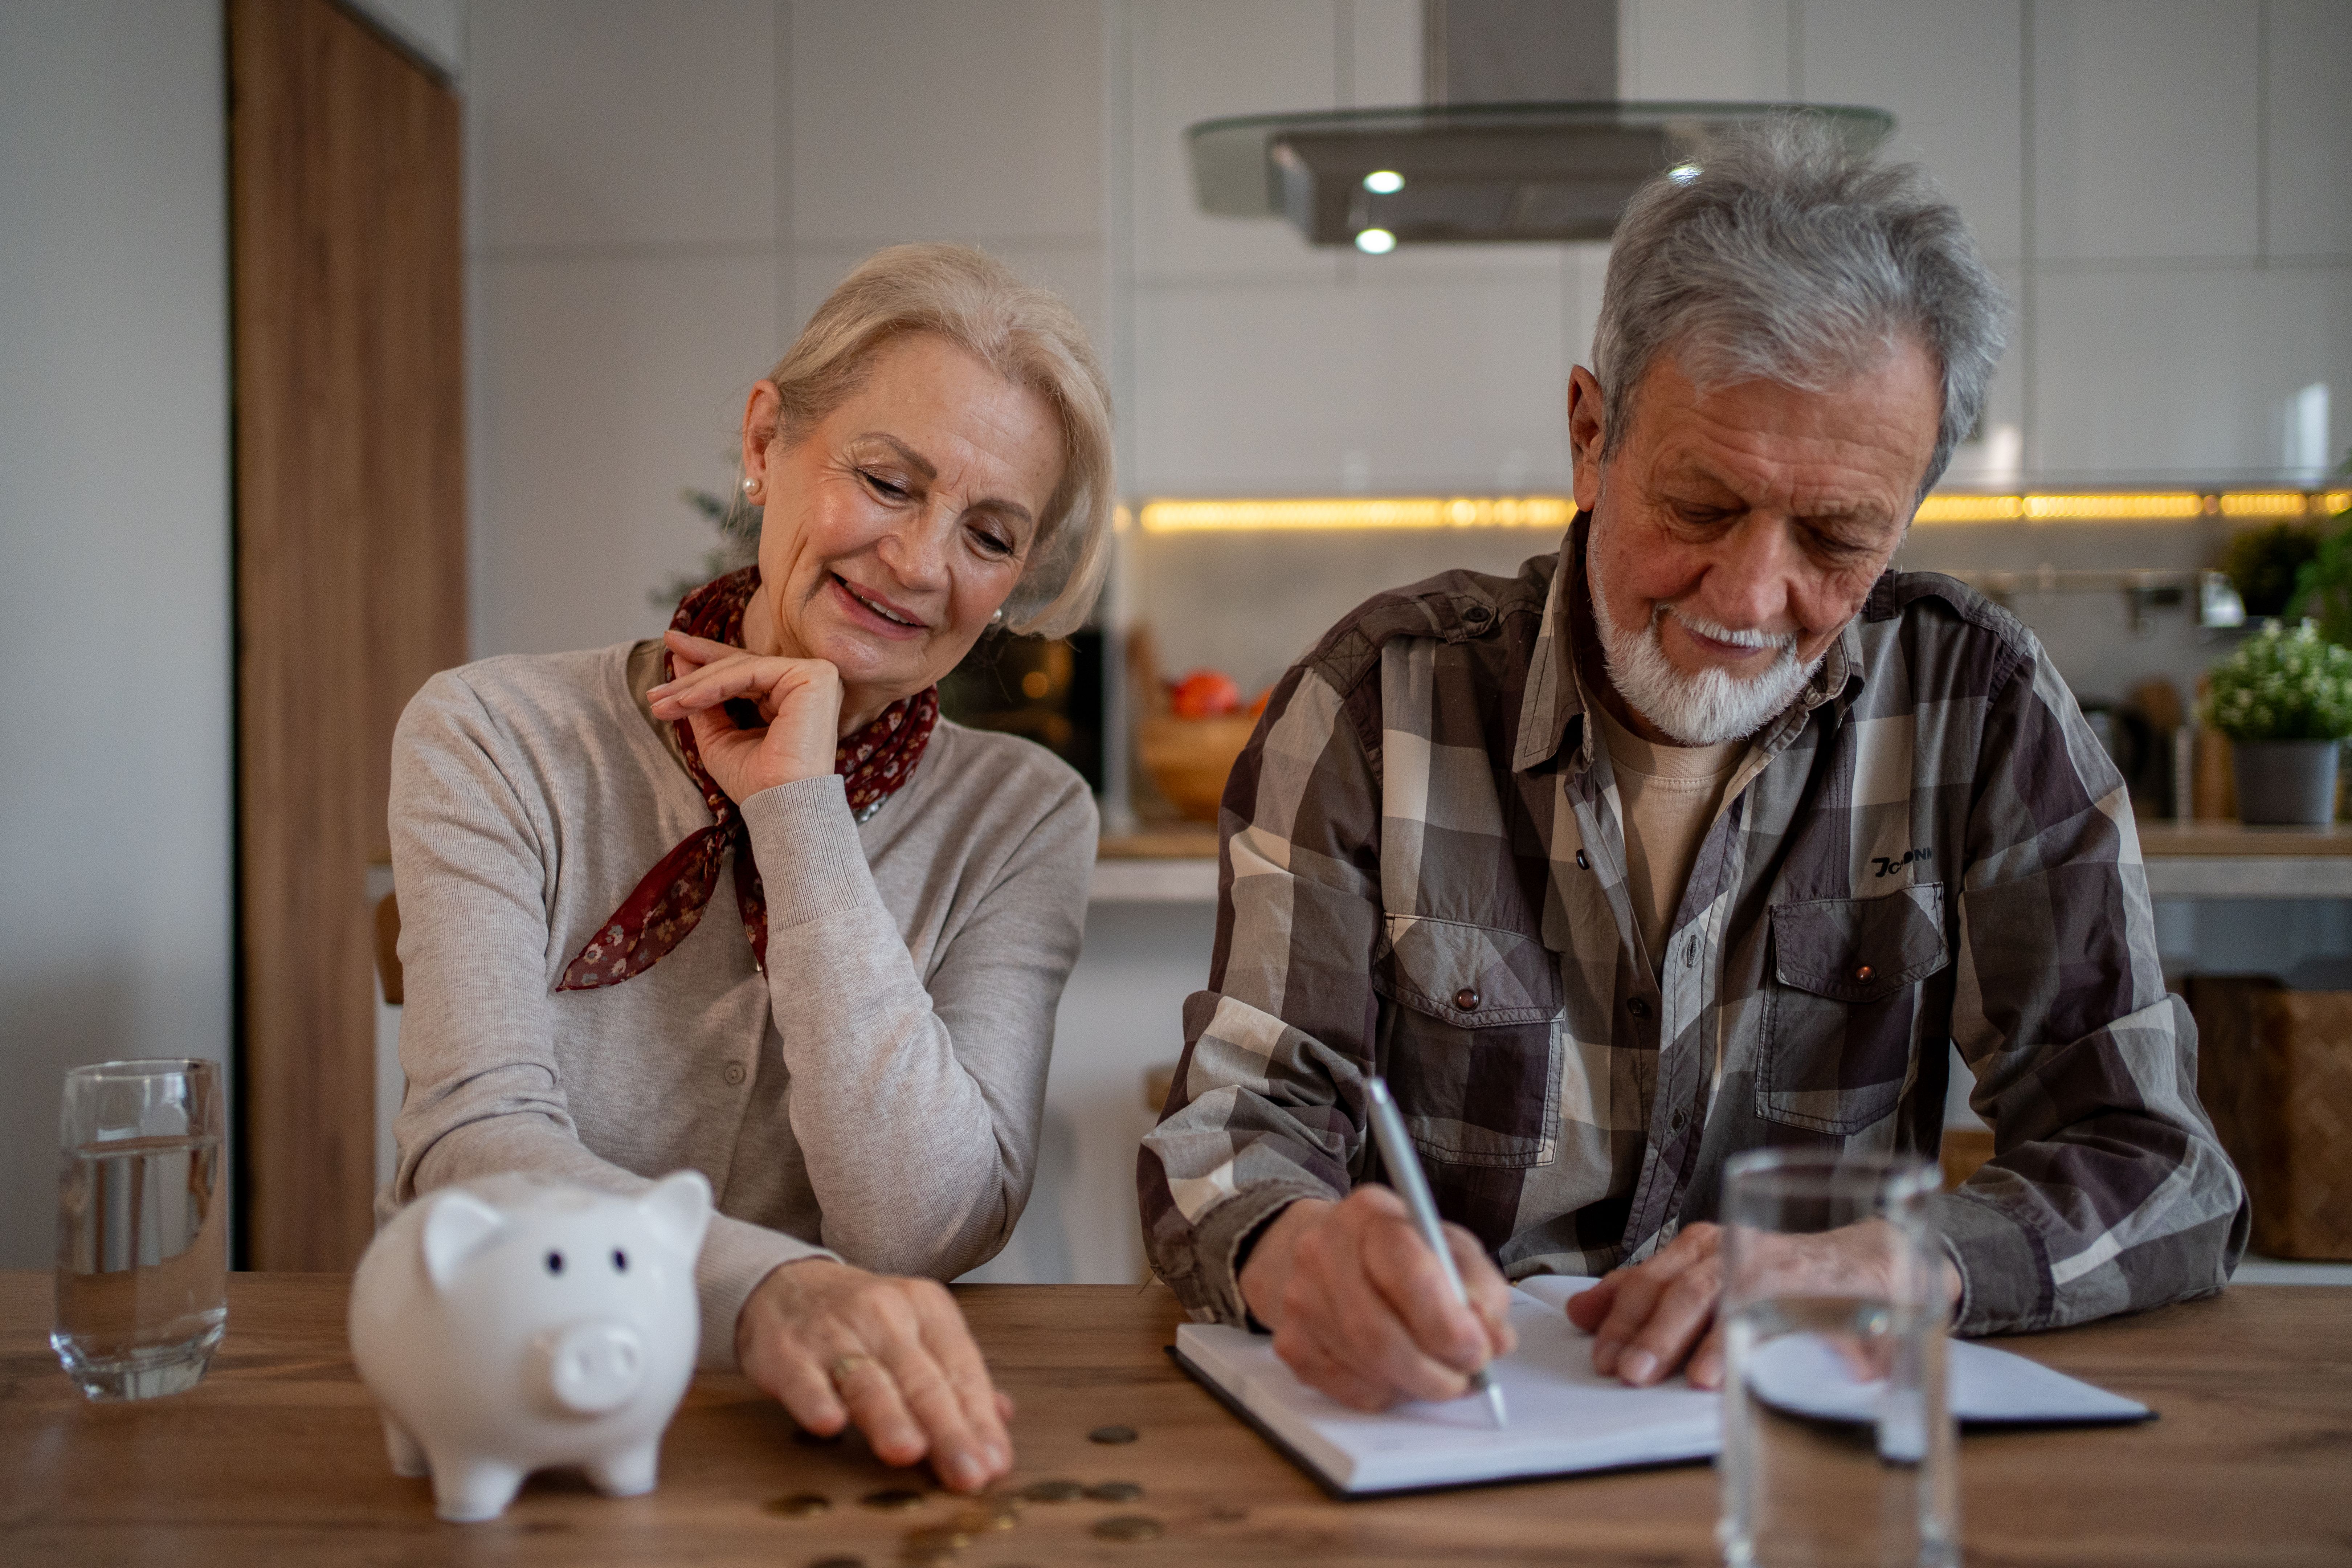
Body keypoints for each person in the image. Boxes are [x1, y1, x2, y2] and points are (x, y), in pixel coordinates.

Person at [1138, 121, 2248, 1413]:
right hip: (1456, 1440)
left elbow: (2158, 1165)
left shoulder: (1977, 703)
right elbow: (1230, 1135)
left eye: (1837, 536)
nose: (1751, 593)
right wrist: (1300, 1252)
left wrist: (1897, 1264)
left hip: (1813, 1448)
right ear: (1589, 434)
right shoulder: (1378, 702)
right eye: (1702, 507)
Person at [388, 244, 1114, 1491]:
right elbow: (473, 1143)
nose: (921, 564)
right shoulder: (493, 737)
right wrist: (768, 1290)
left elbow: (924, 1230)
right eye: (888, 482)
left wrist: (801, 812)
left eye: (989, 536)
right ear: (768, 440)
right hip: (508, 1404)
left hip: (842, 1442)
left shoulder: (1025, 814)